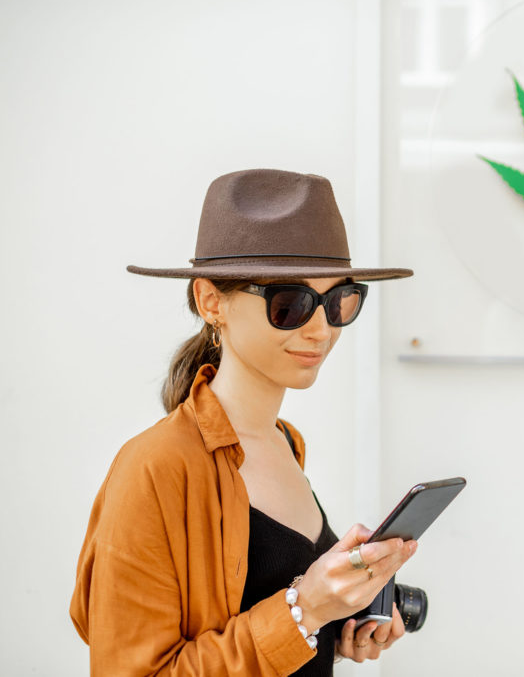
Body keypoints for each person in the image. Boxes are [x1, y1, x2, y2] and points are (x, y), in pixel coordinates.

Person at [70, 168, 417, 675]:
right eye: (290, 304)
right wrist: (306, 609)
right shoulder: (154, 467)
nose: (322, 329)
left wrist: (335, 629)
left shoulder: (285, 443)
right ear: (212, 302)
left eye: (341, 300)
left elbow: (261, 622)